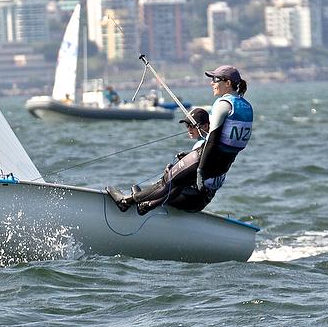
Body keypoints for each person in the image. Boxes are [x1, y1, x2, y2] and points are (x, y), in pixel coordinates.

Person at [106, 65, 252, 215]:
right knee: (179, 182)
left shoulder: (223, 104)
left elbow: (212, 140)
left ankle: (125, 201)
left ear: (227, 83)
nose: (212, 83)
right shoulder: (247, 107)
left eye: (215, 79)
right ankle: (146, 206)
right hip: (222, 165)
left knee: (167, 181)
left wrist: (200, 169)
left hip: (205, 158)